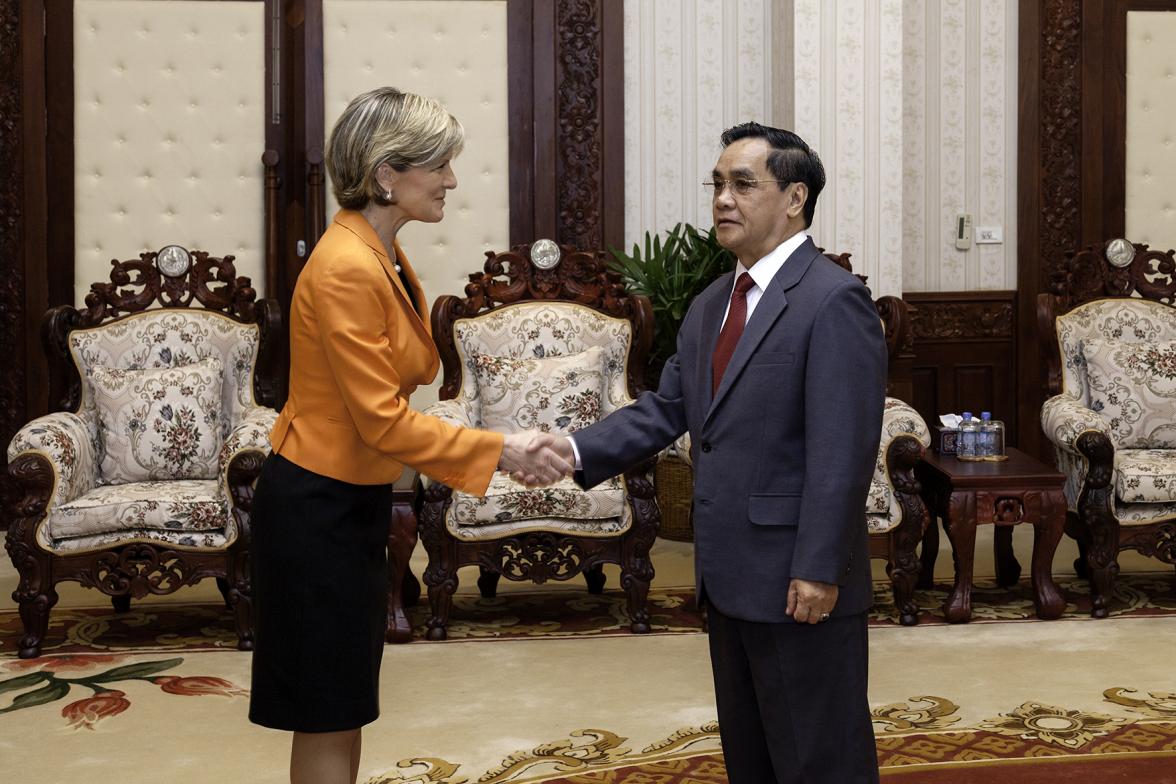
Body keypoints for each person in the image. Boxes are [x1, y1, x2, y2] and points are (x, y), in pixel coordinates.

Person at [532, 122, 885, 782]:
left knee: (819, 757)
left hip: (797, 578)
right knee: (752, 755)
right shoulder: (710, 306)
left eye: (743, 184)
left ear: (795, 198)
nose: (723, 198)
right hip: (727, 575)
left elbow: (843, 452)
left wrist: (818, 568)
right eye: (717, 184)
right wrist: (573, 450)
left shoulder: (834, 301)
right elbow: (669, 409)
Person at [248, 87, 570, 784]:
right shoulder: (346, 265)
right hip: (316, 506)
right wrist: (501, 450)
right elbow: (381, 419)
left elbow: (406, 376)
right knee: (326, 704)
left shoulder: (381, 251)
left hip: (349, 498)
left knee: (343, 700)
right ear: (387, 174)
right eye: (440, 165)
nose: (452, 180)